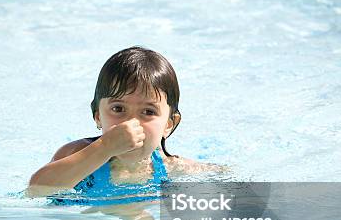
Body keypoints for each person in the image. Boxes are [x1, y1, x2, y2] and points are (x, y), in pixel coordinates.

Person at [26, 46, 226, 202]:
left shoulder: (169, 167)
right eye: (118, 109)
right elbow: (36, 190)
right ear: (97, 116)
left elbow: (219, 176)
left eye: (148, 112)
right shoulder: (77, 154)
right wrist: (104, 148)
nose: (131, 123)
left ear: (169, 124)